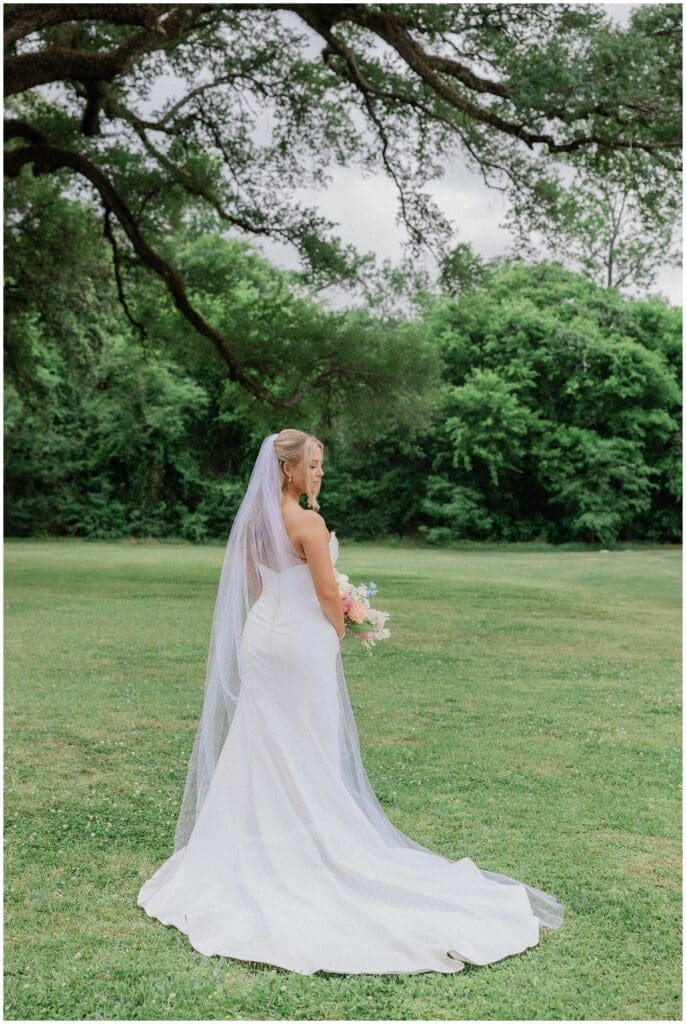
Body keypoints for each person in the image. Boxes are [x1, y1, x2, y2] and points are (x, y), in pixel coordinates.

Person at [137, 429, 563, 975]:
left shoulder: (255, 522)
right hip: (302, 640)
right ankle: (307, 846)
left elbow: (254, 584)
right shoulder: (307, 523)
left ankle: (250, 845)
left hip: (263, 636)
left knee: (262, 739)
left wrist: (326, 609)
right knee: (308, 740)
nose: (319, 474)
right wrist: (345, 624)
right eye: (312, 466)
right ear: (287, 469)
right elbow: (321, 594)